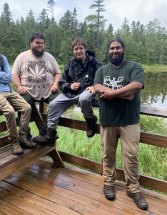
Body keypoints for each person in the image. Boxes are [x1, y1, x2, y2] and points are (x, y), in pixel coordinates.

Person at [94, 38, 148, 210]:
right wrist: (123, 94)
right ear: (108, 51)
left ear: (123, 49)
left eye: (117, 48)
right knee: (107, 154)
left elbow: (137, 85)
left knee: (131, 156)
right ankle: (108, 182)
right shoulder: (102, 70)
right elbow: (96, 87)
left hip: (129, 121)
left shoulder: (134, 67)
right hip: (107, 120)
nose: (114, 51)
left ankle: (133, 189)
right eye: (111, 48)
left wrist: (111, 93)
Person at [0, 28, 37, 156]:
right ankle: (14, 141)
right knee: (9, 111)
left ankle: (22, 138)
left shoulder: (2, 58)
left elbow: (9, 78)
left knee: (26, 108)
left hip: (6, 89)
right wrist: (0, 74)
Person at [33, 38, 102, 146]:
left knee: (83, 99)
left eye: (80, 48)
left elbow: (101, 77)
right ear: (73, 50)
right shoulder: (70, 63)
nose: (78, 51)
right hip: (71, 93)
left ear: (85, 49)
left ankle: (90, 120)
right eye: (76, 49)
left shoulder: (94, 63)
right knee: (53, 104)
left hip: (86, 91)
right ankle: (50, 134)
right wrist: (70, 85)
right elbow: (62, 81)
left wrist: (94, 86)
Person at [12, 32, 61, 134]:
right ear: (31, 43)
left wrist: (55, 84)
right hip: (28, 91)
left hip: (48, 90)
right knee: (23, 106)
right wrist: (19, 86)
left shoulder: (49, 57)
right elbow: (14, 74)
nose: (40, 45)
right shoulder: (22, 56)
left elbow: (58, 73)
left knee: (59, 102)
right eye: (37, 43)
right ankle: (25, 134)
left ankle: (47, 130)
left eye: (42, 43)